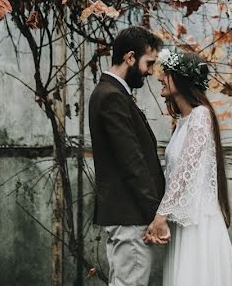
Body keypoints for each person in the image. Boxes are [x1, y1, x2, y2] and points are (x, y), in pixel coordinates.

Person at [143, 50, 232, 285]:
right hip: (183, 224)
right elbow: (173, 176)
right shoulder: (182, 122)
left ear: (182, 78)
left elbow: (183, 172)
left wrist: (160, 217)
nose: (159, 77)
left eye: (166, 72)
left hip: (198, 226)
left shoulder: (201, 116)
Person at [88, 26, 166, 286]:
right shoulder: (112, 97)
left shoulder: (112, 93)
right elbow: (131, 162)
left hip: (127, 214)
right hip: (131, 215)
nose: (150, 71)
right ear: (130, 57)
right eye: (149, 63)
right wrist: (155, 214)